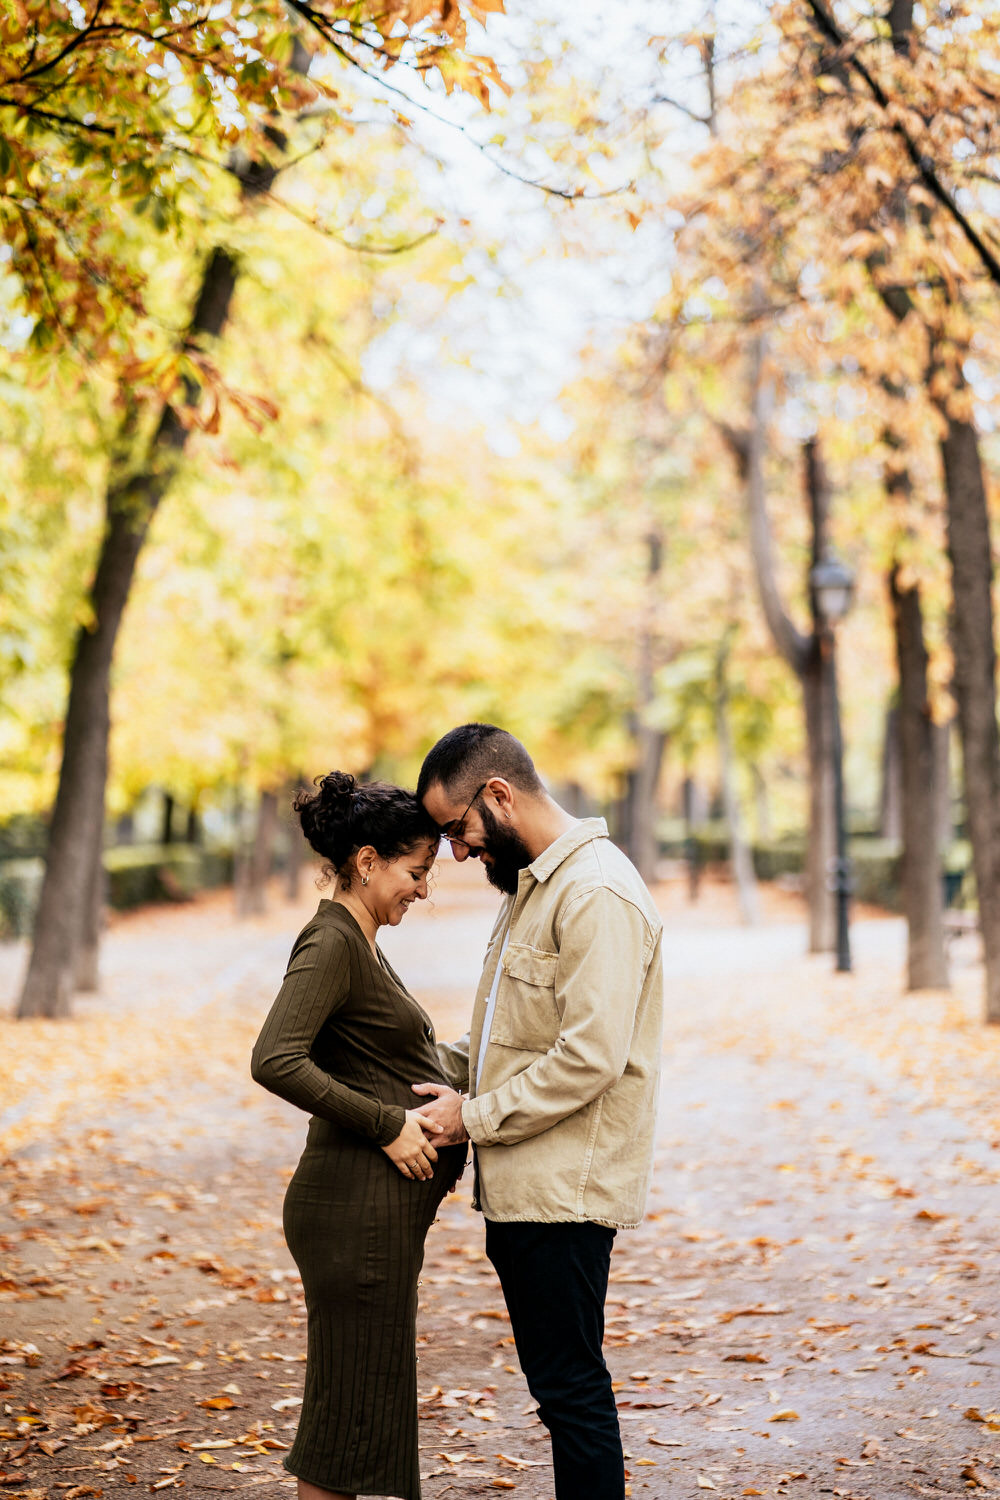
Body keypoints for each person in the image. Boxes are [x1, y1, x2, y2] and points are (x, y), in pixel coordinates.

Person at [411, 724, 664, 1500]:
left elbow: (589, 1058)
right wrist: (416, 1064)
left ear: (500, 795)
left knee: (572, 1393)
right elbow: (508, 1039)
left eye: (458, 831)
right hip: (528, 1191)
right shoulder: (534, 886)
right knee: (562, 1393)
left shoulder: (596, 894)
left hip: (564, 1198)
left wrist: (472, 1118)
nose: (456, 852)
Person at [250, 772, 466, 1500]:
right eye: (416, 872)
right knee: (345, 1429)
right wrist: (388, 1126)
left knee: (357, 1416)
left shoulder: (362, 940)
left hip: (372, 1218)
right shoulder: (334, 940)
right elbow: (275, 1058)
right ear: (367, 861)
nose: (423, 889)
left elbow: (380, 1058)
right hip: (353, 1216)